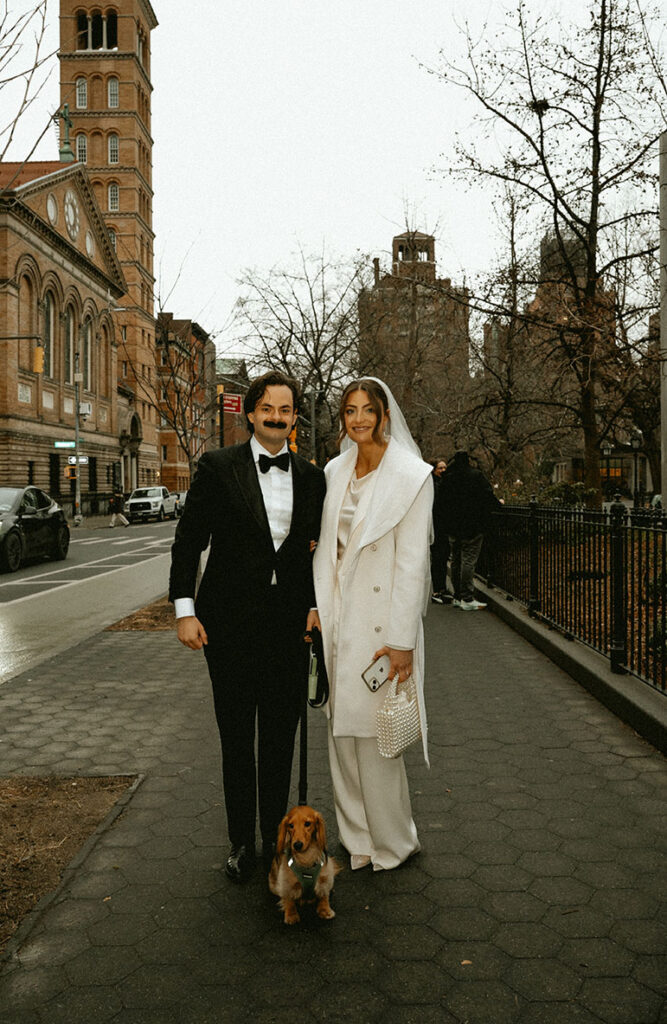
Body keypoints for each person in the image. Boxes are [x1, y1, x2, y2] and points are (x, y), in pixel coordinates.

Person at [169, 371, 326, 882]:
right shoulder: (218, 467)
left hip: (288, 630)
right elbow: (188, 541)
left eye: (285, 410)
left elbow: (317, 554)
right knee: (237, 740)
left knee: (279, 742)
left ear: (294, 417)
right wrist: (185, 610)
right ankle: (241, 843)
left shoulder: (312, 478)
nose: (276, 418)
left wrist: (316, 606)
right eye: (267, 409)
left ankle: (278, 844)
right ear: (251, 414)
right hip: (229, 628)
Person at [309, 378, 432, 872]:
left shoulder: (412, 476)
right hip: (338, 615)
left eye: (367, 410)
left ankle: (394, 842)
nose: (358, 419)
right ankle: (357, 839)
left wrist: (402, 641)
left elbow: (412, 563)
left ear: (383, 415)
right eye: (350, 410)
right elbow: (323, 549)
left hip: (381, 627)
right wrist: (315, 608)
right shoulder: (334, 470)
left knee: (379, 740)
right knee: (341, 734)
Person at [433, 449, 500, 611]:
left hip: (453, 527)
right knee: (469, 560)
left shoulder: (448, 478)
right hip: (473, 525)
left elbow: (440, 503)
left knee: (456, 560)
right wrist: (499, 505)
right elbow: (488, 496)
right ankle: (467, 597)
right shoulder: (475, 476)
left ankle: (457, 595)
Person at [428, 457, 452, 604]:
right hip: (437, 527)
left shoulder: (441, 484)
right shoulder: (433, 485)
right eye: (440, 468)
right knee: (438, 558)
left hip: (442, 527)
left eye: (445, 467)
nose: (443, 470)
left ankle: (441, 588)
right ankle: (437, 591)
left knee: (442, 558)